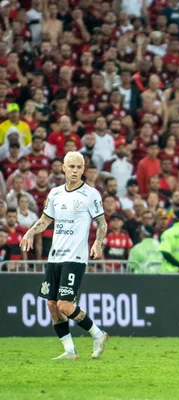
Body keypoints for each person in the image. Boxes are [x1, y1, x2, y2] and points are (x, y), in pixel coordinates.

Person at [19, 151, 109, 360]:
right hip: (55, 257)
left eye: (79, 167)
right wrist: (31, 231)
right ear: (64, 169)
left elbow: (102, 223)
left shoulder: (91, 194)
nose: (75, 171)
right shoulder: (55, 194)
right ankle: (69, 350)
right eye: (71, 167)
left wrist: (97, 242)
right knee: (51, 304)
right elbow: (45, 220)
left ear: (83, 170)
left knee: (64, 305)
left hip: (75, 257)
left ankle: (98, 334)